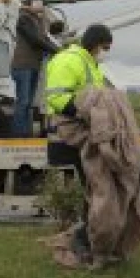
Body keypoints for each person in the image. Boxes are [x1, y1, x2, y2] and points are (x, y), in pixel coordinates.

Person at [43, 23, 113, 260]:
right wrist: (85, 112)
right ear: (95, 44)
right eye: (105, 47)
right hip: (69, 136)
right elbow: (56, 97)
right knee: (92, 188)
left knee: (94, 188)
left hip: (83, 134)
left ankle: (89, 237)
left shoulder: (89, 64)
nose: (106, 52)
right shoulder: (69, 60)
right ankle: (82, 241)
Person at [10, 0, 59, 137]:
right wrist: (57, 51)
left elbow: (45, 39)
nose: (40, 3)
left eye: (41, 1)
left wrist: (58, 48)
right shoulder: (24, 19)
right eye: (36, 0)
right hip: (22, 66)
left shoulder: (39, 20)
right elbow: (35, 40)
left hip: (32, 66)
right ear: (29, 2)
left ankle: (25, 133)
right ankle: (20, 135)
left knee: (28, 103)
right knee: (23, 102)